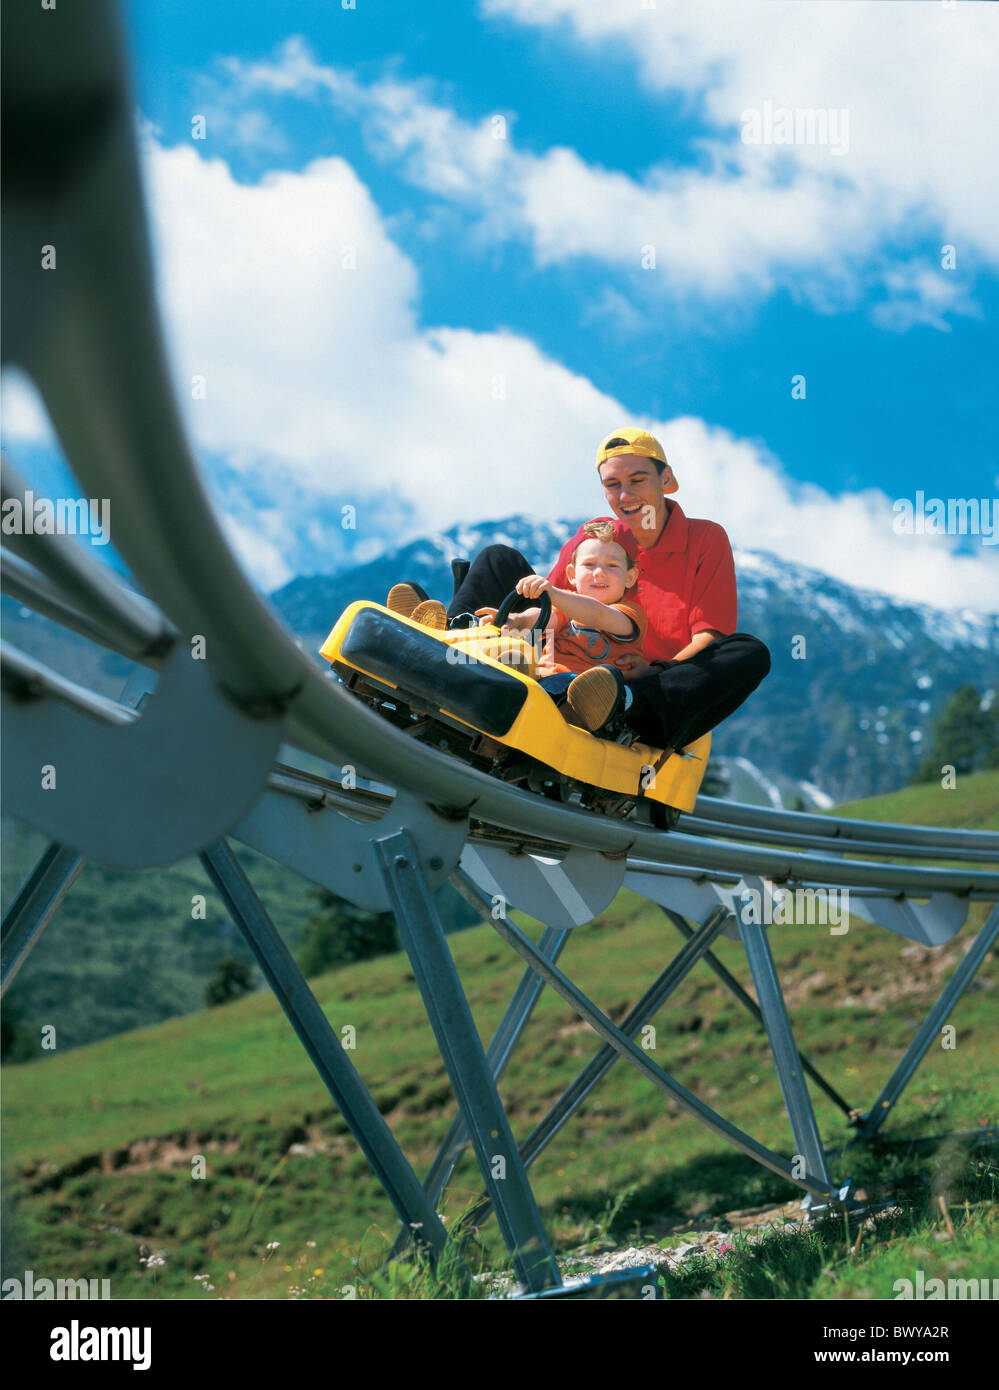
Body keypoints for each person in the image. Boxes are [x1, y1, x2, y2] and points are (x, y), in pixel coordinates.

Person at [388, 426, 771, 758]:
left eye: (637, 480)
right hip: (562, 659)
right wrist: (514, 620)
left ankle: (618, 705)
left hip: (645, 685)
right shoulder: (596, 536)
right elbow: (551, 605)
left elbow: (709, 635)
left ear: (666, 480)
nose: (625, 496)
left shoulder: (705, 538)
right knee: (498, 558)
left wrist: (654, 672)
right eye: (613, 485)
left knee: (748, 652)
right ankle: (453, 637)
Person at [500, 519, 648, 734]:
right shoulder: (565, 603)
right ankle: (513, 679)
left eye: (612, 566)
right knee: (529, 665)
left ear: (630, 577)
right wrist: (514, 619)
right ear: (571, 574)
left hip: (600, 694)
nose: (599, 573)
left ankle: (577, 711)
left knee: (619, 693)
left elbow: (597, 614)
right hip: (552, 682)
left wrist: (553, 593)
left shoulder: (629, 613)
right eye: (589, 565)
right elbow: (543, 617)